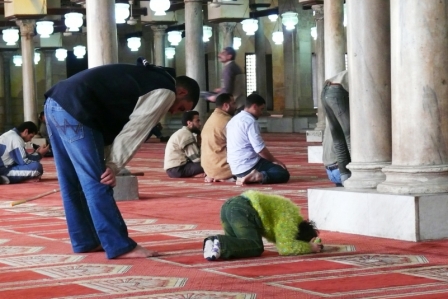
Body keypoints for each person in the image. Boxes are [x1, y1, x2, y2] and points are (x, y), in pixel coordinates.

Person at [44, 58, 200, 259]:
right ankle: (120, 245)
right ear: (182, 92)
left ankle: (85, 241)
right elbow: (136, 130)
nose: (172, 112)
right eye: (180, 108)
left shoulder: (148, 77)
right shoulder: (165, 90)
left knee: (71, 181)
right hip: (78, 108)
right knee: (98, 180)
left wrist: (108, 159)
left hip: (55, 104)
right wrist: (113, 165)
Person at [203, 190, 323, 261]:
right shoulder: (291, 220)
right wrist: (310, 247)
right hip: (243, 210)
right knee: (255, 246)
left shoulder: (289, 214)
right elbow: (285, 248)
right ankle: (219, 241)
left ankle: (213, 244)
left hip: (229, 207)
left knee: (239, 246)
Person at [226, 93, 290, 185]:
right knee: (282, 172)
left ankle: (244, 177)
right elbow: (260, 149)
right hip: (249, 166)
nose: (261, 112)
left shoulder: (233, 120)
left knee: (270, 166)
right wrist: (275, 160)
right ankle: (258, 176)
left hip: (235, 169)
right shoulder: (250, 121)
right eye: (261, 109)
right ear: (255, 106)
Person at [321, 70, 351, 185]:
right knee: (351, 136)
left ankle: (344, 174)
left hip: (333, 173)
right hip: (342, 171)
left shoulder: (335, 120)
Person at [201, 93, 237, 183]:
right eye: (233, 103)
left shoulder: (210, 119)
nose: (236, 107)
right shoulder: (227, 121)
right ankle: (225, 176)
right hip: (224, 169)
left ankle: (216, 175)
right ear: (226, 106)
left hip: (208, 170)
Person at [164, 110, 205, 178]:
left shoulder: (182, 132)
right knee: (211, 164)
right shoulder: (186, 135)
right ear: (189, 123)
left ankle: (195, 174)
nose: (200, 124)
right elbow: (196, 158)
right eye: (197, 121)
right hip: (178, 169)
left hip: (173, 170)